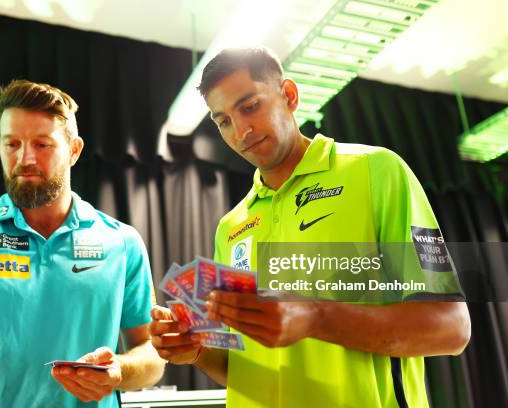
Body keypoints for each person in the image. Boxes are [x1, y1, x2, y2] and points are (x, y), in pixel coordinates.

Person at [150, 47, 471, 407]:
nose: (240, 131)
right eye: (223, 120)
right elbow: (242, 365)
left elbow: (451, 328)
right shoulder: (231, 226)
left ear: (289, 95)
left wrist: (314, 317)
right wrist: (194, 350)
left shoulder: (376, 170)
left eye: (250, 106)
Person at [0, 80, 165, 407]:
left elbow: (152, 356)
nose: (25, 158)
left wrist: (120, 369)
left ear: (74, 151)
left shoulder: (121, 242)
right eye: (11, 143)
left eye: (42, 144)